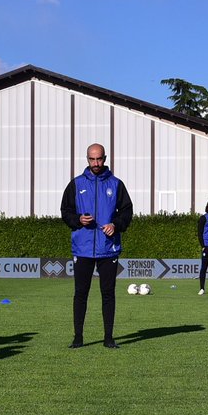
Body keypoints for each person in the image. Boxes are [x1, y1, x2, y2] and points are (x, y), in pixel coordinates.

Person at [60, 143, 133, 349]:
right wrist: (77, 220)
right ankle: (78, 337)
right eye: (92, 159)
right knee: (80, 293)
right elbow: (65, 211)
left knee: (108, 293)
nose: (96, 163)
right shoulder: (76, 184)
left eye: (99, 159)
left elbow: (127, 211)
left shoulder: (116, 184)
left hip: (107, 248)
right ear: (87, 159)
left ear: (105, 158)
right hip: (82, 248)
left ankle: (108, 338)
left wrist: (115, 225)